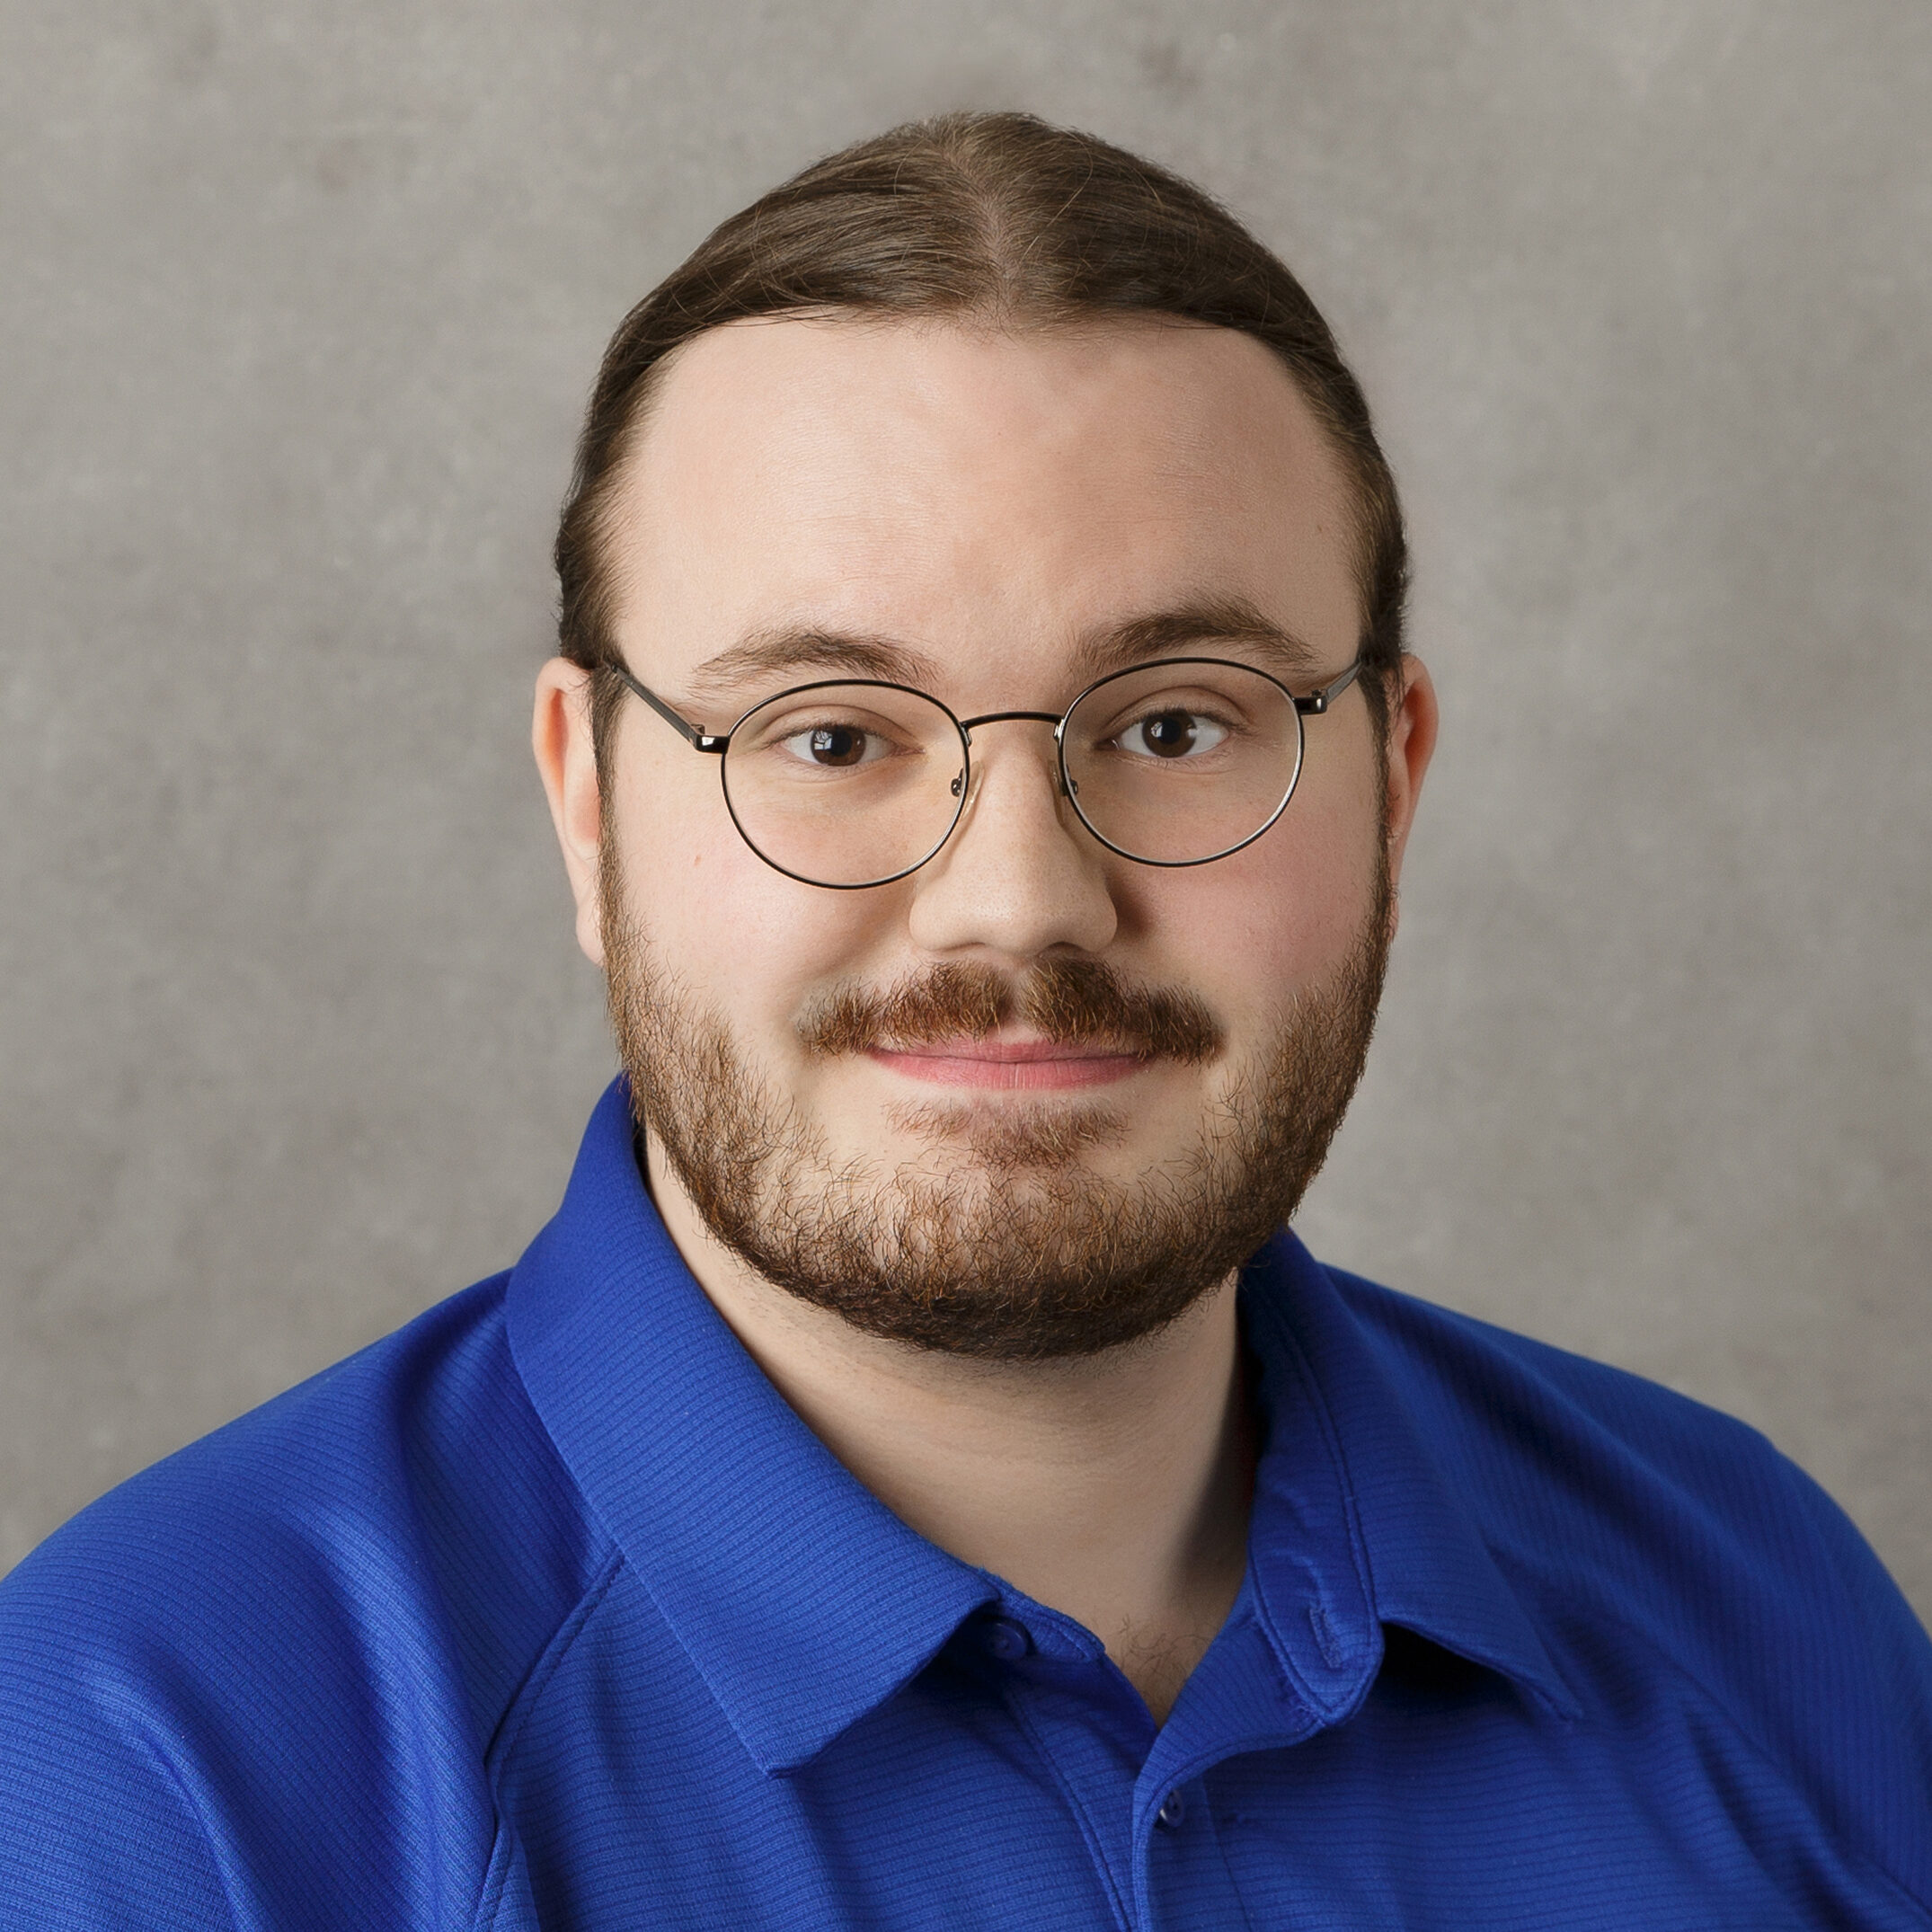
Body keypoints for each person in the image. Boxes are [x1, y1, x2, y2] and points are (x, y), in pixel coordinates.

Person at [1, 110, 1927, 1932]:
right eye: (828, 735)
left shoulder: (1756, 1605)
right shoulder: (150, 1774)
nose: (1017, 896)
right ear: (588, 802)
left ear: (1391, 782)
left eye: (1177, 724)